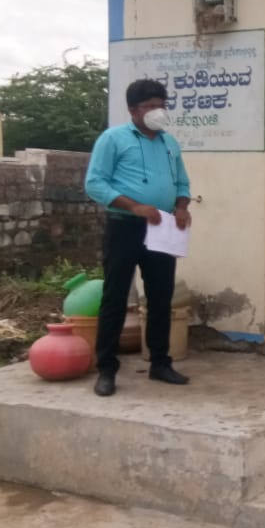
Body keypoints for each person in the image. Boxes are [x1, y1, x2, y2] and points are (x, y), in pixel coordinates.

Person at [85, 79, 192, 397]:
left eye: (162, 105)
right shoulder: (113, 139)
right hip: (125, 226)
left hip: (162, 228)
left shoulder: (169, 143)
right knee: (115, 297)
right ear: (133, 110)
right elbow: (95, 183)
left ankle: (160, 363)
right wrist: (135, 206)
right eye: (150, 106)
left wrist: (182, 206)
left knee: (161, 297)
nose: (158, 112)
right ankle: (106, 368)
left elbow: (183, 182)